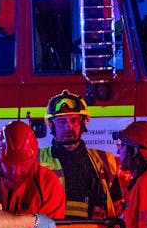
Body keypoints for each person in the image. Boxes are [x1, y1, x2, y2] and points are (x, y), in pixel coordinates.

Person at [37, 90, 121, 219]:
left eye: (74, 120)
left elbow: (117, 206)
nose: (68, 127)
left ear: (83, 123)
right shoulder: (37, 160)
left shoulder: (104, 160)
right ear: (52, 125)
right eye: (62, 122)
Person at [0, 120, 64, 228]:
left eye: (23, 165)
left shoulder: (49, 184)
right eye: (9, 165)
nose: (16, 172)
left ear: (33, 159)